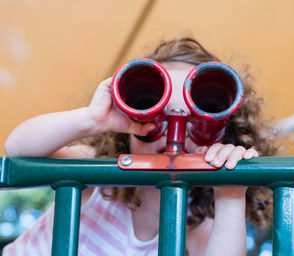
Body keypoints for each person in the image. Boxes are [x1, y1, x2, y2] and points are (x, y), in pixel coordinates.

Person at [3, 37, 279, 256]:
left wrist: (229, 197)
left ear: (223, 132)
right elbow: (18, 150)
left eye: (200, 117)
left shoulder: (201, 223)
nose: (176, 132)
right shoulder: (95, 172)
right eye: (156, 114)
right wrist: (92, 119)